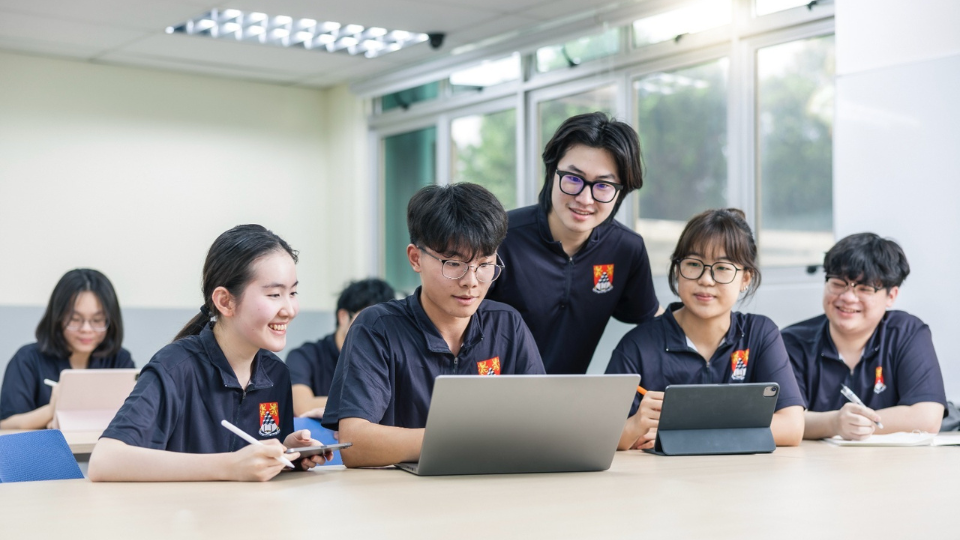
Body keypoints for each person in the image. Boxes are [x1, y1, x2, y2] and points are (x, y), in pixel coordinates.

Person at [322, 183, 545, 468]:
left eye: (485, 264)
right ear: (416, 258)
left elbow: (540, 427)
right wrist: (469, 441)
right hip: (397, 499)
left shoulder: (507, 325)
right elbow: (355, 443)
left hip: (489, 493)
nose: (471, 281)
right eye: (454, 264)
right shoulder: (377, 328)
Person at [88, 225, 330, 482]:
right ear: (225, 301)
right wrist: (231, 466)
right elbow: (104, 461)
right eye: (274, 294)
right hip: (182, 518)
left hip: (253, 518)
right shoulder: (175, 367)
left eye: (292, 293)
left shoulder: (275, 373)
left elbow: (252, 468)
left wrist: (285, 452)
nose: (289, 309)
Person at [607, 209, 805, 450]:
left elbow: (792, 427)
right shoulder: (637, 345)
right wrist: (635, 425)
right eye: (693, 264)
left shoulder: (760, 334)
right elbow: (602, 435)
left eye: (722, 268)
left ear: (745, 279)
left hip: (744, 480)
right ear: (677, 269)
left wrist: (683, 430)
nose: (706, 280)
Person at [486, 112, 659, 374]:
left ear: (620, 191)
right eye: (573, 178)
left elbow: (654, 324)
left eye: (603, 185)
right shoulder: (499, 239)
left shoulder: (626, 249)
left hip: (568, 403)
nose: (585, 199)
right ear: (552, 172)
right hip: (489, 399)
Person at [782, 233, 946, 440]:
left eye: (865, 288)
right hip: (817, 466)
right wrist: (834, 423)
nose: (848, 298)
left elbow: (927, 417)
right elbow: (784, 421)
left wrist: (850, 424)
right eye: (838, 284)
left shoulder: (907, 333)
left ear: (891, 296)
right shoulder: (791, 342)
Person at [1, 269, 133, 429]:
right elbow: (6, 425)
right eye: (75, 319)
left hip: (100, 452)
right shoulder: (27, 359)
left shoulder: (120, 360)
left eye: (97, 320)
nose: (86, 329)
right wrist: (53, 408)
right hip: (46, 452)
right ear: (57, 318)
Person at [287, 278, 395, 417]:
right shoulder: (304, 357)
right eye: (368, 319)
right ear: (343, 317)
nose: (376, 329)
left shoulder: (385, 359)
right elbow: (302, 406)